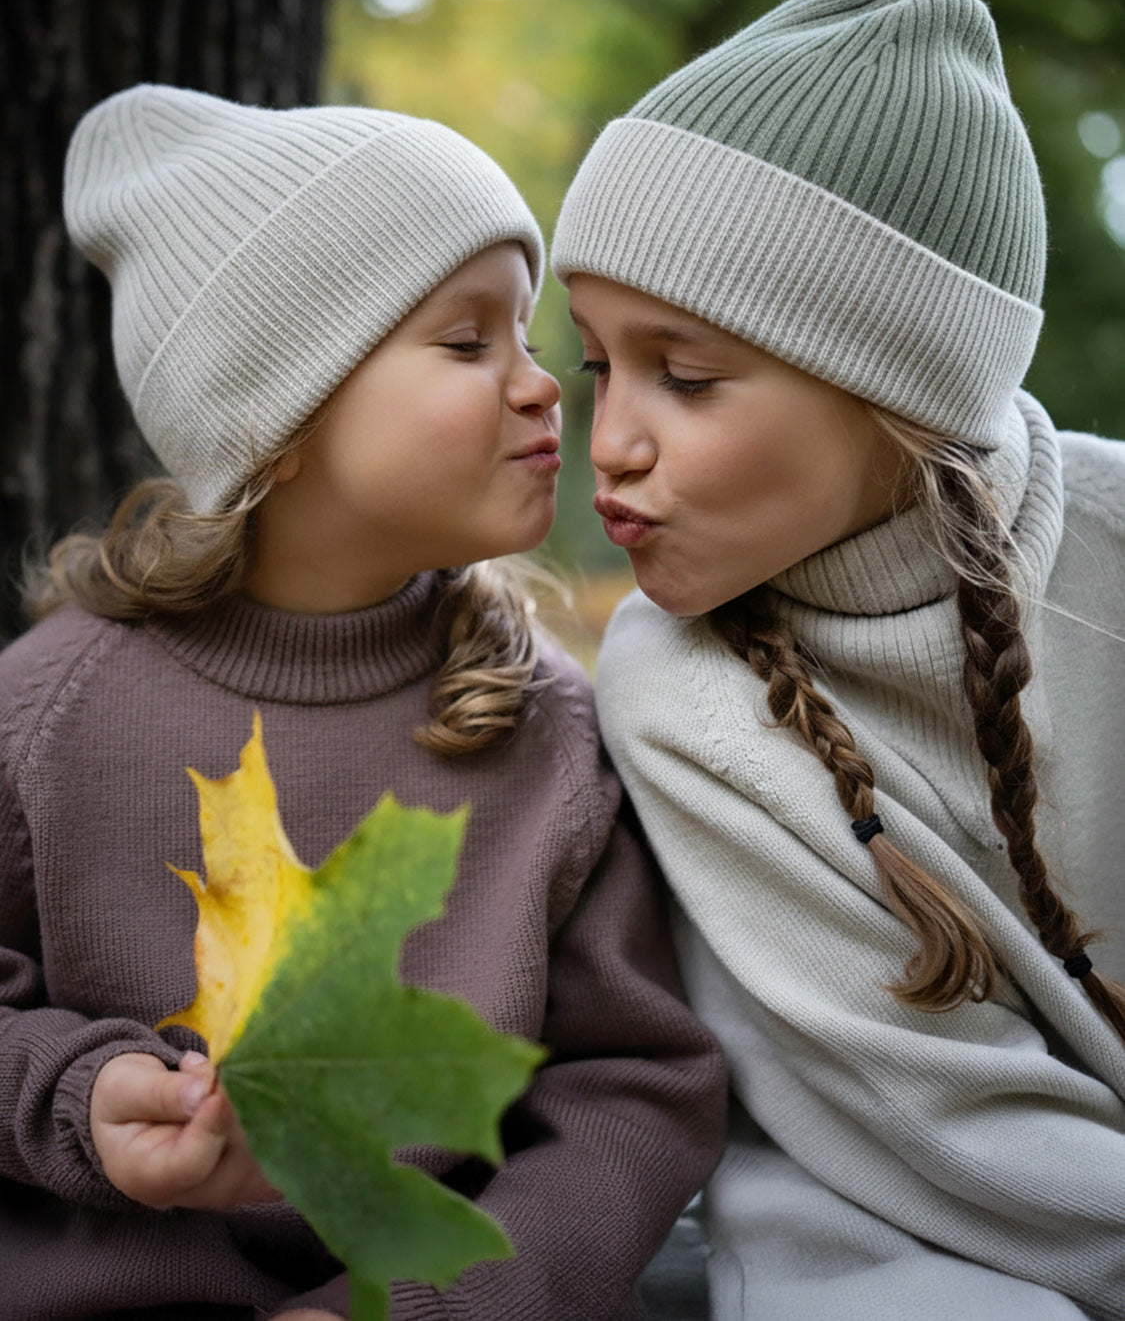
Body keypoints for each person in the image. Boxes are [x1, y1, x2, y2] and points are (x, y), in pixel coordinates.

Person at [0, 85, 726, 1320]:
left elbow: (631, 1095)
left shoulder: (542, 729)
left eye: (530, 338)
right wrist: (73, 1095)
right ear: (275, 414)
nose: (545, 385)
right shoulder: (48, 712)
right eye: (466, 342)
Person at [551, 0, 1125, 1319]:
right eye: (599, 366)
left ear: (897, 384)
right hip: (896, 1230)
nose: (611, 442)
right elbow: (954, 1138)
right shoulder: (674, 688)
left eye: (683, 377)